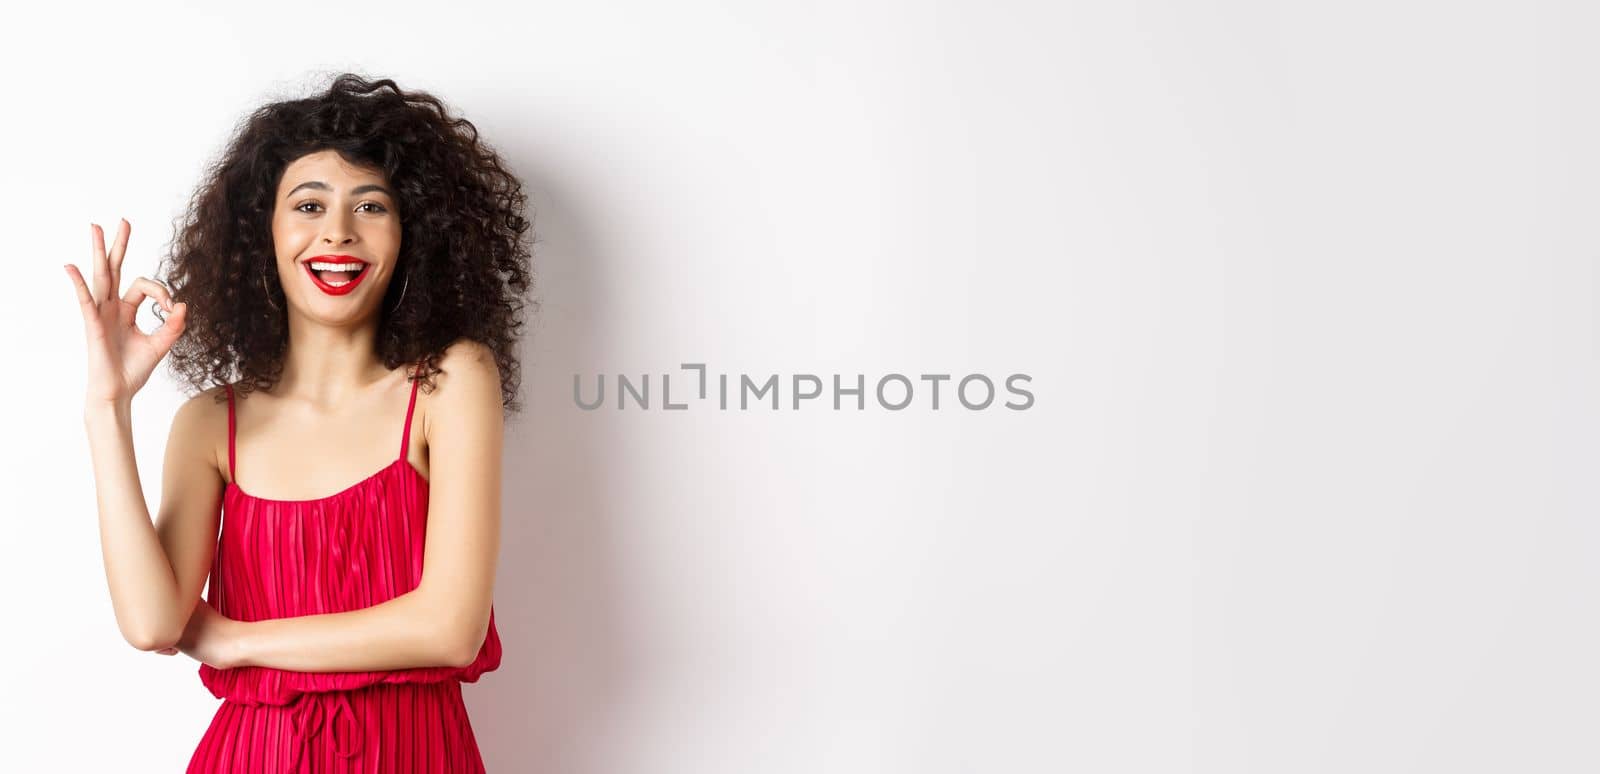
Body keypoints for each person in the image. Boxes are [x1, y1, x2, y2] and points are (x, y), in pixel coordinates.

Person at [65, 72, 534, 772]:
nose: (338, 232)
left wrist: (239, 641)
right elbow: (152, 622)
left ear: (412, 234)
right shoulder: (209, 426)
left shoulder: (448, 382)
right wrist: (108, 406)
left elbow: (449, 630)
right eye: (308, 205)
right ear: (266, 233)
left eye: (370, 206)